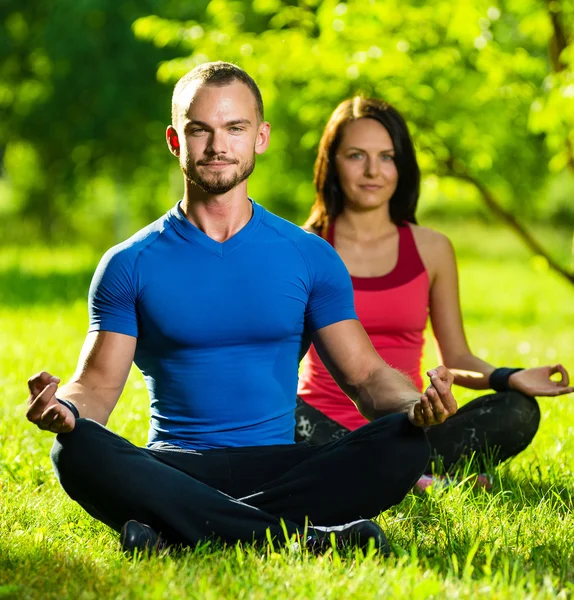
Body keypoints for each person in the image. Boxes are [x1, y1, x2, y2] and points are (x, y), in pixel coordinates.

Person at [25, 63, 458, 555]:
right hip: (176, 466)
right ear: (174, 140)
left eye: (235, 128)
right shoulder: (129, 263)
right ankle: (306, 540)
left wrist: (412, 406)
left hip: (282, 463)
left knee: (402, 444)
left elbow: (365, 378)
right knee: (75, 450)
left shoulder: (308, 256)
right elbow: (99, 385)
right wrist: (68, 409)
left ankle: (176, 533)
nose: (217, 146)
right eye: (199, 129)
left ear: (260, 137)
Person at [296, 96, 573, 481]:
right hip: (318, 428)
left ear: (402, 166)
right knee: (279, 410)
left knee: (518, 410)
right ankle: (421, 476)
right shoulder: (303, 247)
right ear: (332, 163)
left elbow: (456, 356)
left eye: (387, 157)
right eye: (356, 155)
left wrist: (508, 377)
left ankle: (400, 472)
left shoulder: (432, 248)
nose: (373, 170)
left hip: (408, 424)